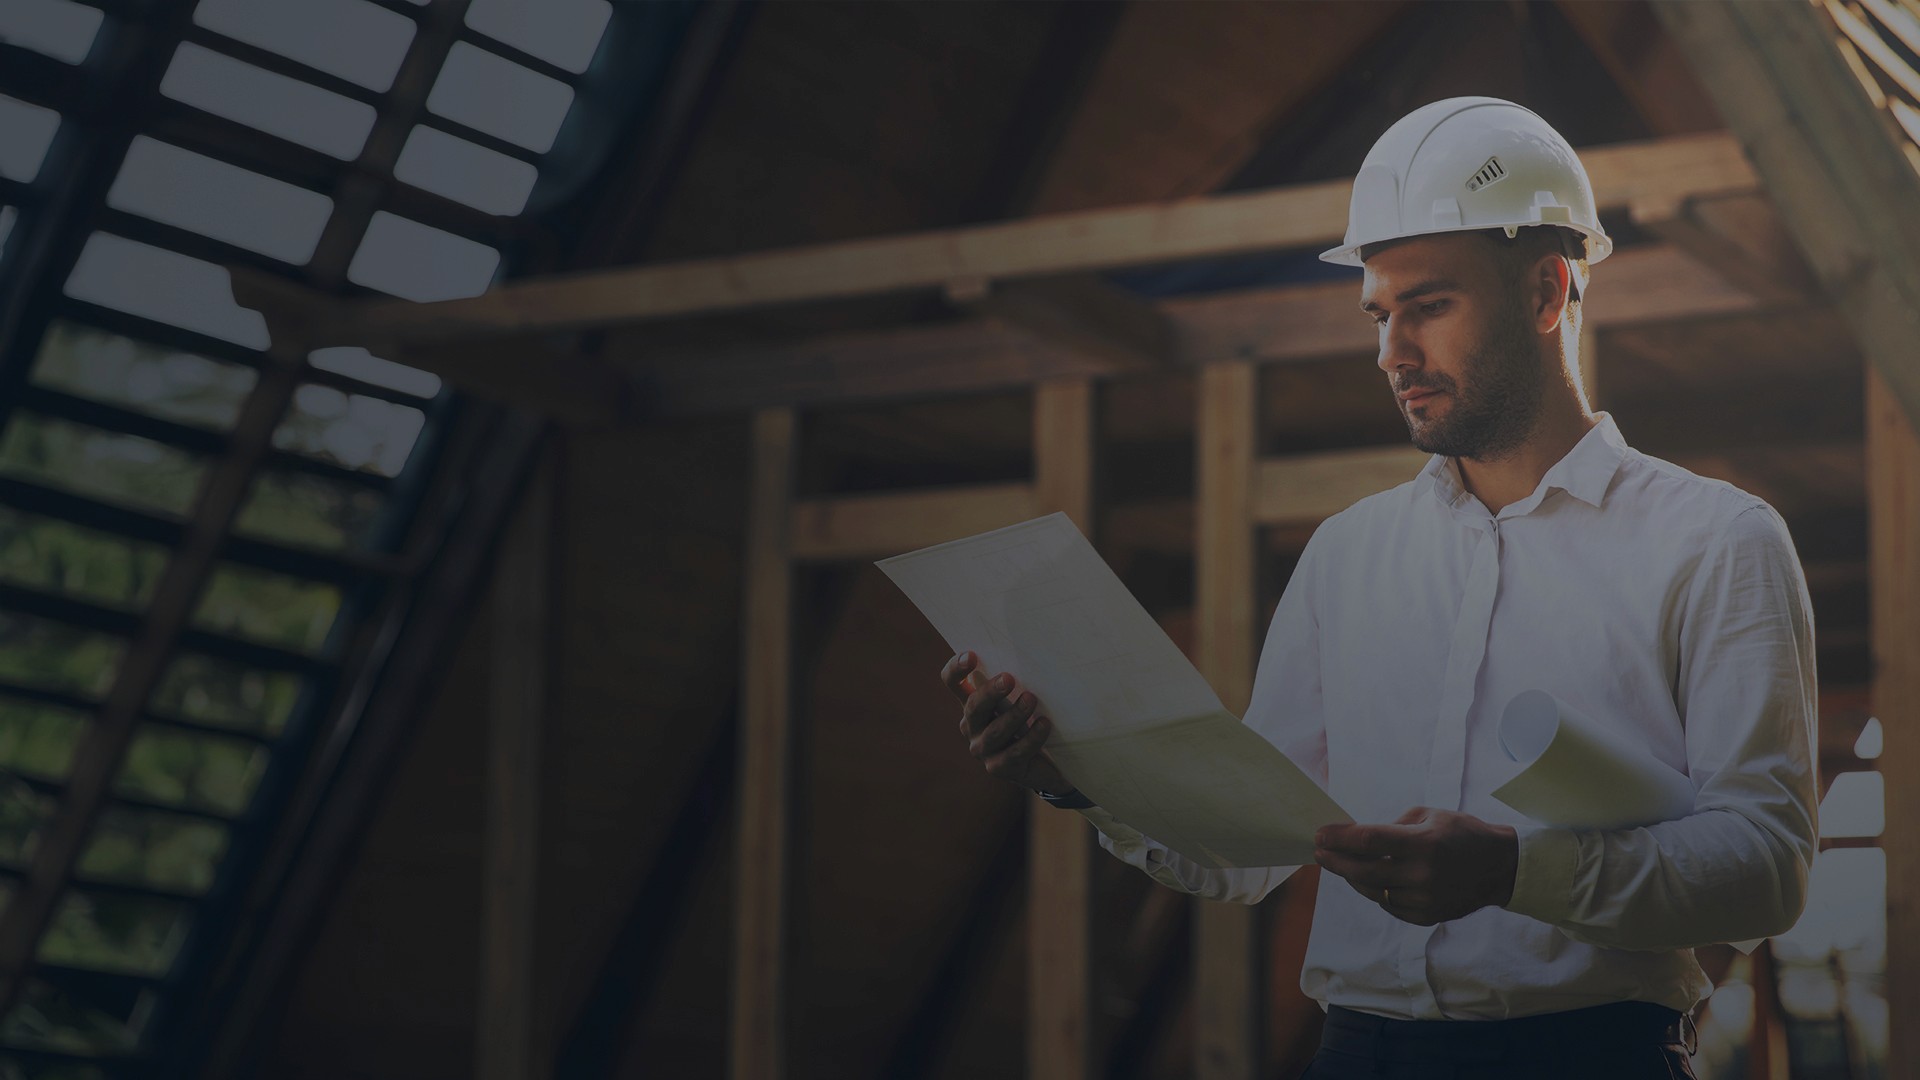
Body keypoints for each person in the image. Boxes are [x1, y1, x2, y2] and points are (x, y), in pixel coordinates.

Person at [937, 97, 1818, 1080]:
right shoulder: (1346, 557)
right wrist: (1071, 771)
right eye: (1379, 313)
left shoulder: (1718, 542)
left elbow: (1766, 871)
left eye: (1428, 306)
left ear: (1545, 289)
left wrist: (1515, 875)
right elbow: (1245, 846)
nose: (1392, 353)